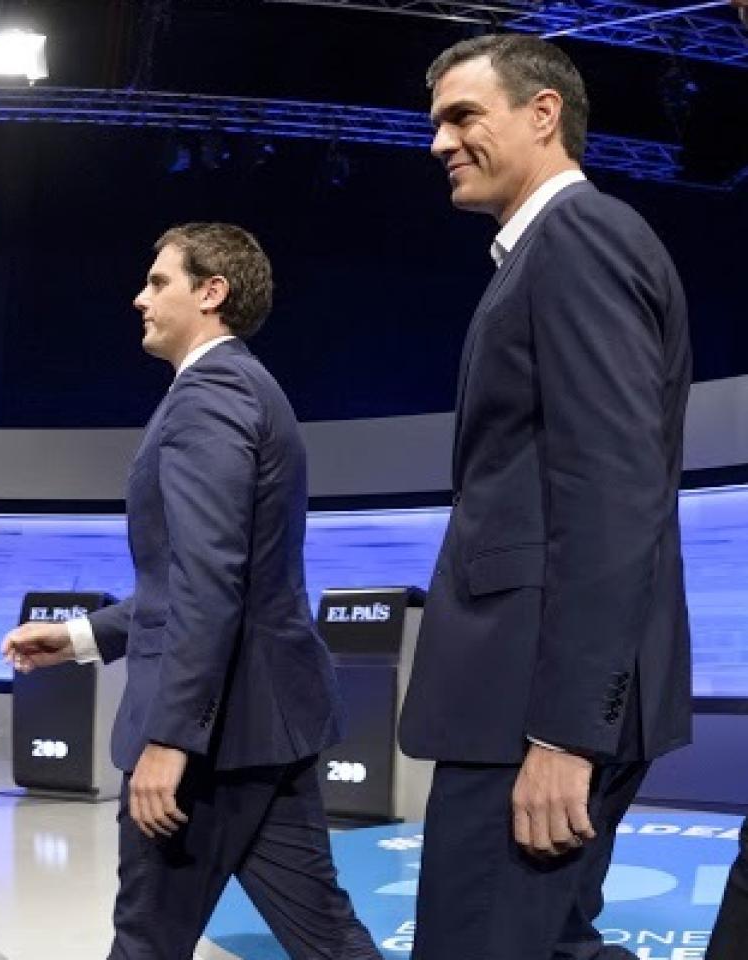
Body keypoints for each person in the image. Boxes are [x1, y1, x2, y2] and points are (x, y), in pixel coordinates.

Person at [2, 223, 377, 959]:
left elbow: (210, 581)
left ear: (213, 293)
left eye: (158, 282)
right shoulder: (239, 388)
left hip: (212, 744)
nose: (138, 297)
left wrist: (171, 739)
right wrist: (83, 637)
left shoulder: (209, 397)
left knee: (146, 941)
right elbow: (206, 578)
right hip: (264, 728)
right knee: (327, 938)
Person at [398, 35, 692, 960]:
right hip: (534, 700)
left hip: (534, 708)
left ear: (543, 114)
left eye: (462, 115)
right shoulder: (553, 250)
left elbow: (612, 491)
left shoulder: (577, 237)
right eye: (436, 121)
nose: (439, 141)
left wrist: (565, 733)